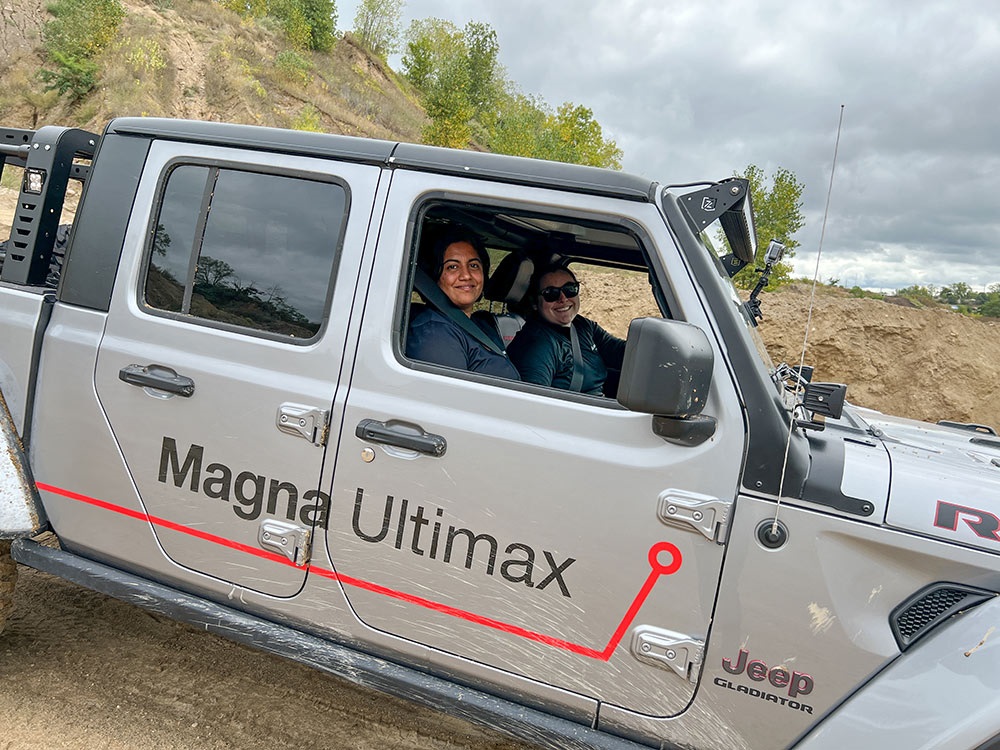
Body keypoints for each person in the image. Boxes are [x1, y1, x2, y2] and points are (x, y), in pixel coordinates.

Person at [406, 227, 520, 380]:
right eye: (452, 267)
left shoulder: (480, 324)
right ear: (434, 275)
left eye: (473, 265)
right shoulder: (435, 332)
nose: (466, 275)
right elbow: (451, 399)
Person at [507, 265, 625, 395]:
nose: (563, 299)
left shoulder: (582, 325)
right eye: (551, 293)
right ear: (535, 302)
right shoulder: (537, 345)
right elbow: (533, 403)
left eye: (570, 289)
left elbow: (622, 353)